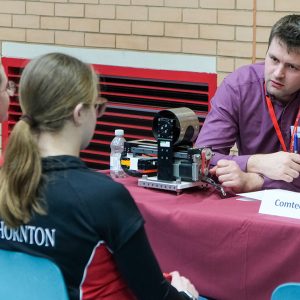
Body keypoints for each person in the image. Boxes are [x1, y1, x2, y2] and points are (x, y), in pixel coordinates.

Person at [0, 52, 199, 300]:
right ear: (79, 113)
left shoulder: (6, 182)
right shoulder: (102, 198)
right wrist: (186, 295)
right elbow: (156, 296)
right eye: (98, 106)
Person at [195, 14, 300, 193]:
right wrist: (256, 162)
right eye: (274, 59)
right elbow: (201, 158)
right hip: (251, 208)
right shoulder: (239, 87)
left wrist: (255, 181)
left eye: (292, 67)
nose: (278, 74)